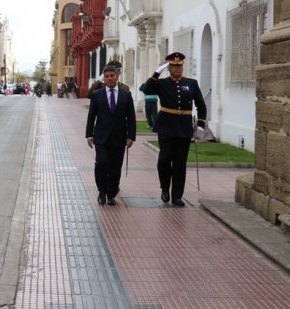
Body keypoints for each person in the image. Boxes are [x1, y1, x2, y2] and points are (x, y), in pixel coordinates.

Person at [142, 52, 207, 207]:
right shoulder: (162, 83)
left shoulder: (191, 83)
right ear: (169, 67)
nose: (177, 69)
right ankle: (165, 188)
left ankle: (177, 196)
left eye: (179, 66)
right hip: (165, 125)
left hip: (184, 127)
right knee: (164, 160)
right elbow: (146, 89)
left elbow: (201, 105)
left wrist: (200, 125)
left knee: (180, 163)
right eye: (173, 66)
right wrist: (157, 72)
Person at [85, 63, 136, 206]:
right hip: (101, 137)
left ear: (117, 76)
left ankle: (111, 193)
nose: (109, 78)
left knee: (115, 166)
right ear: (104, 78)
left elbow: (131, 117)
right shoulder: (97, 95)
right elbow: (91, 116)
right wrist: (89, 135)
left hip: (119, 137)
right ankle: (102, 191)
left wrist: (131, 136)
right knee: (101, 163)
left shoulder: (126, 95)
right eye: (106, 76)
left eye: (112, 76)